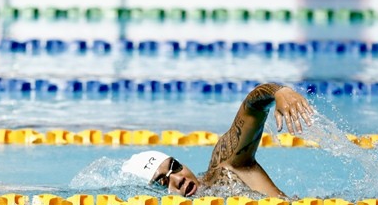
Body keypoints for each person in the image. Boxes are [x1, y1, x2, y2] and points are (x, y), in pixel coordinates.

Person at [122, 83, 313, 198]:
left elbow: (251, 107)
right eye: (162, 182)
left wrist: (279, 91)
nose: (179, 179)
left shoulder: (225, 169)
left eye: (175, 166)